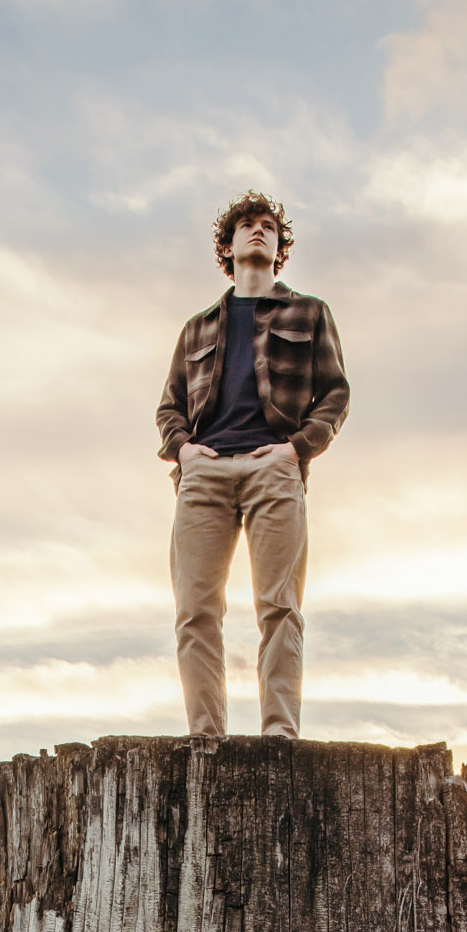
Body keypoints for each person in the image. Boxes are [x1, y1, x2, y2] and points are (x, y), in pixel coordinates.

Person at [155, 192, 349, 740]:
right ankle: (205, 738)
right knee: (195, 610)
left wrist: (296, 449)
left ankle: (279, 735)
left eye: (268, 226)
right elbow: (168, 405)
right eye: (246, 224)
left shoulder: (309, 313)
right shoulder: (197, 328)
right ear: (228, 245)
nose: (258, 231)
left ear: (280, 247)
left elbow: (335, 394)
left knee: (280, 607)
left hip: (275, 469)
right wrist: (185, 450)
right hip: (205, 474)